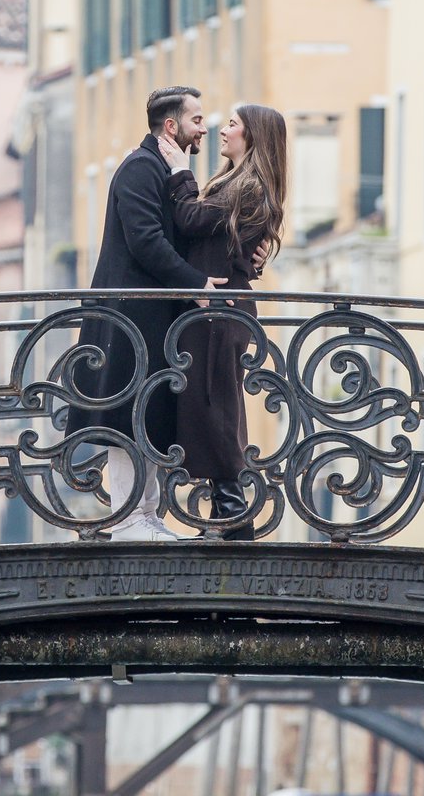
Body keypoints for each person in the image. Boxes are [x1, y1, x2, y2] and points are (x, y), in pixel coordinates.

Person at [64, 86, 228, 542]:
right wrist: (197, 284)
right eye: (197, 119)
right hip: (129, 315)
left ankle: (145, 515)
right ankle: (129, 519)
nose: (204, 128)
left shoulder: (162, 168)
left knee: (149, 409)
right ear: (171, 126)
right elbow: (145, 241)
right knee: (126, 414)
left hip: (148, 313)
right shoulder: (140, 168)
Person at [156, 104, 288, 542]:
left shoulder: (249, 186)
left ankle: (233, 517)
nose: (223, 130)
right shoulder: (236, 183)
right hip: (212, 310)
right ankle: (228, 516)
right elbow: (225, 241)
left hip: (218, 313)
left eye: (232, 124)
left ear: (253, 137)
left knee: (215, 408)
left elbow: (192, 220)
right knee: (209, 406)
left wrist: (180, 173)